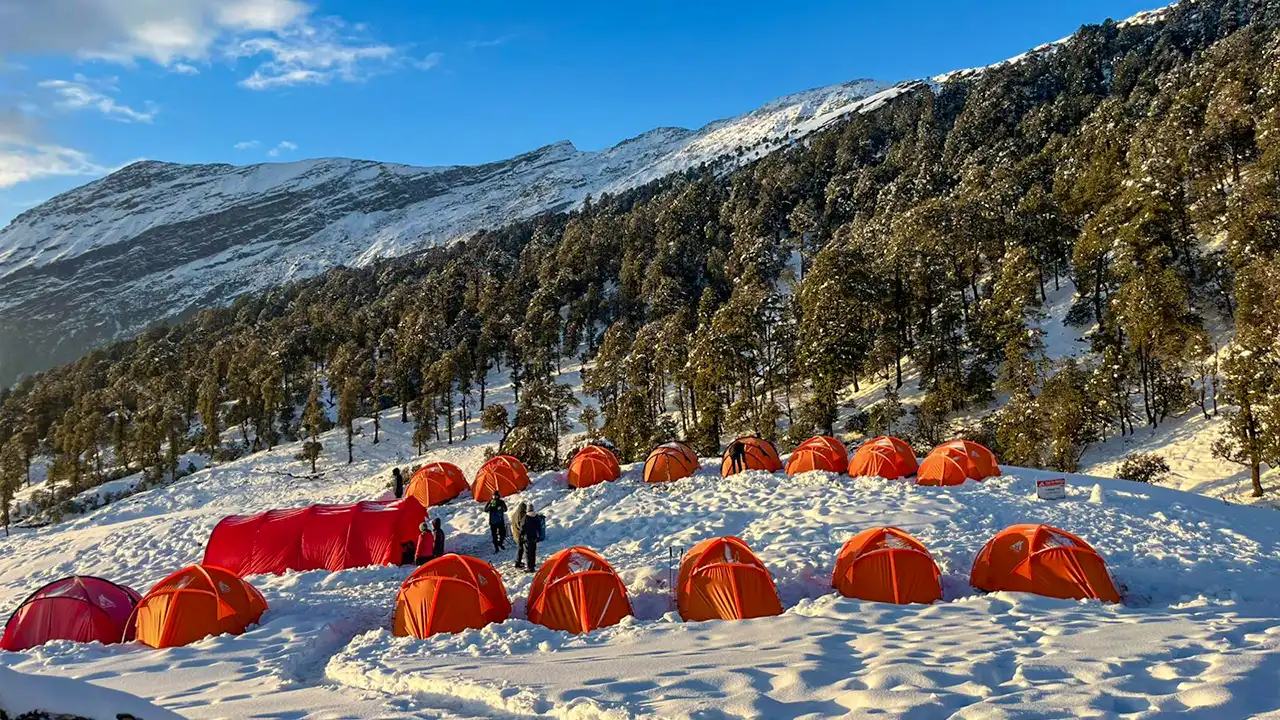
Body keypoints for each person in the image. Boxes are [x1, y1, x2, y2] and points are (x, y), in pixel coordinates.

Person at [520, 506, 543, 573]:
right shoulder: (536, 516)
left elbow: (522, 528)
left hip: (527, 537)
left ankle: (529, 567)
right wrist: (539, 535)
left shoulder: (525, 517)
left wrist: (521, 536)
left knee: (528, 553)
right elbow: (539, 527)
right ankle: (532, 566)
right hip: (534, 537)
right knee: (533, 551)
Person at [511, 501, 530, 569]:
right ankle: (517, 563)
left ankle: (518, 562)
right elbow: (521, 526)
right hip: (519, 535)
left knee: (520, 549)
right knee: (520, 549)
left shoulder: (515, 514)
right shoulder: (521, 515)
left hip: (515, 534)